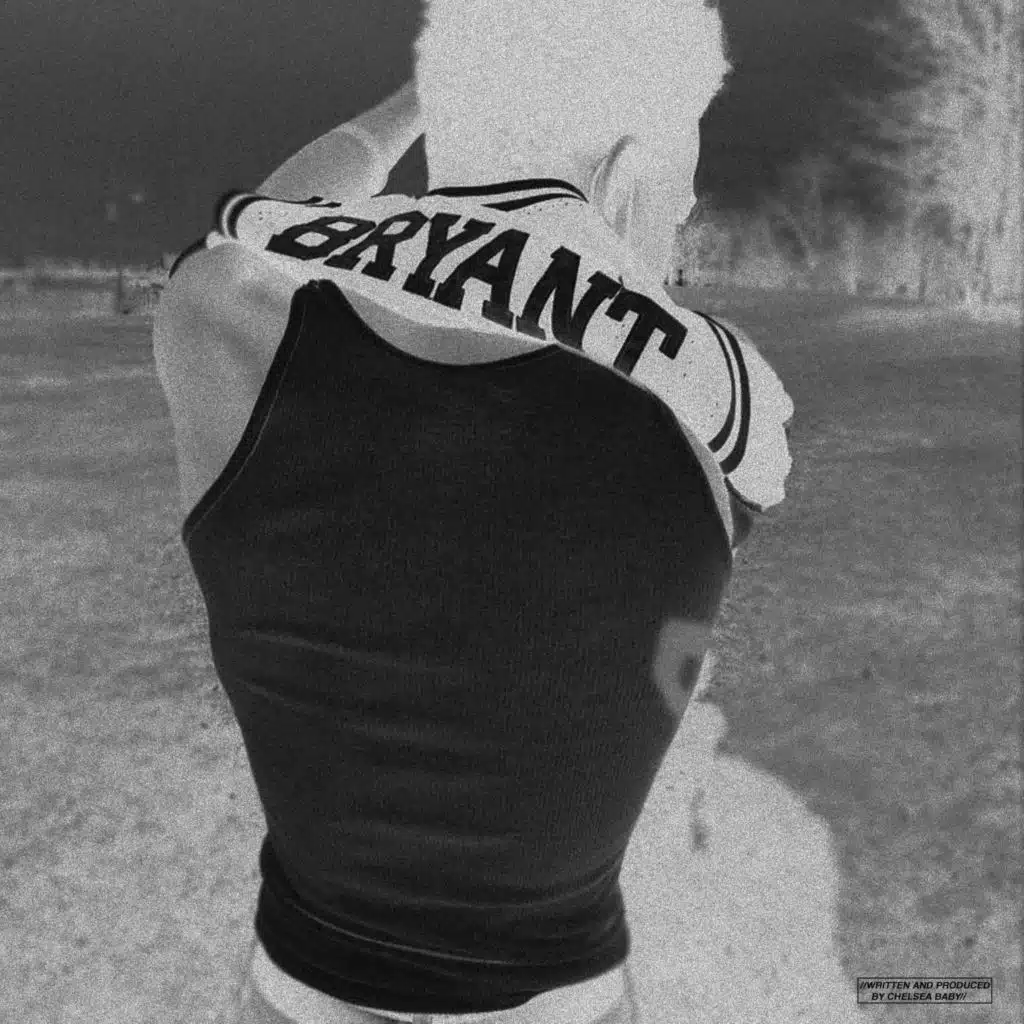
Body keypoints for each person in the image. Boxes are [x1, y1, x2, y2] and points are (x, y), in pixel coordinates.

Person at [152, 2, 794, 1021]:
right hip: (557, 994)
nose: (680, 211)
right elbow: (608, 312)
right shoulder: (725, 399)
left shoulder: (220, 328)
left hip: (304, 982)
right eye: (679, 179)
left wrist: (419, 105)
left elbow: (253, 231)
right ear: (625, 169)